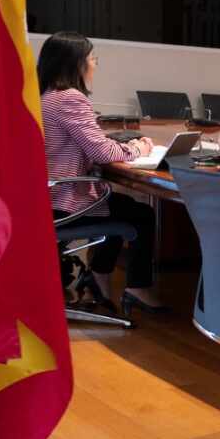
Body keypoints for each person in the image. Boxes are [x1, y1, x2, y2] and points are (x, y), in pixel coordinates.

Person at [39, 32, 165, 316]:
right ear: (76, 64)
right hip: (63, 201)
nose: (94, 65)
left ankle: (99, 275)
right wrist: (138, 148)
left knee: (124, 207)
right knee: (142, 215)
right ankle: (136, 287)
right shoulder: (70, 98)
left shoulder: (46, 96)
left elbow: (90, 141)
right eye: (93, 59)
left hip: (45, 199)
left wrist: (118, 144)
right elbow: (103, 154)